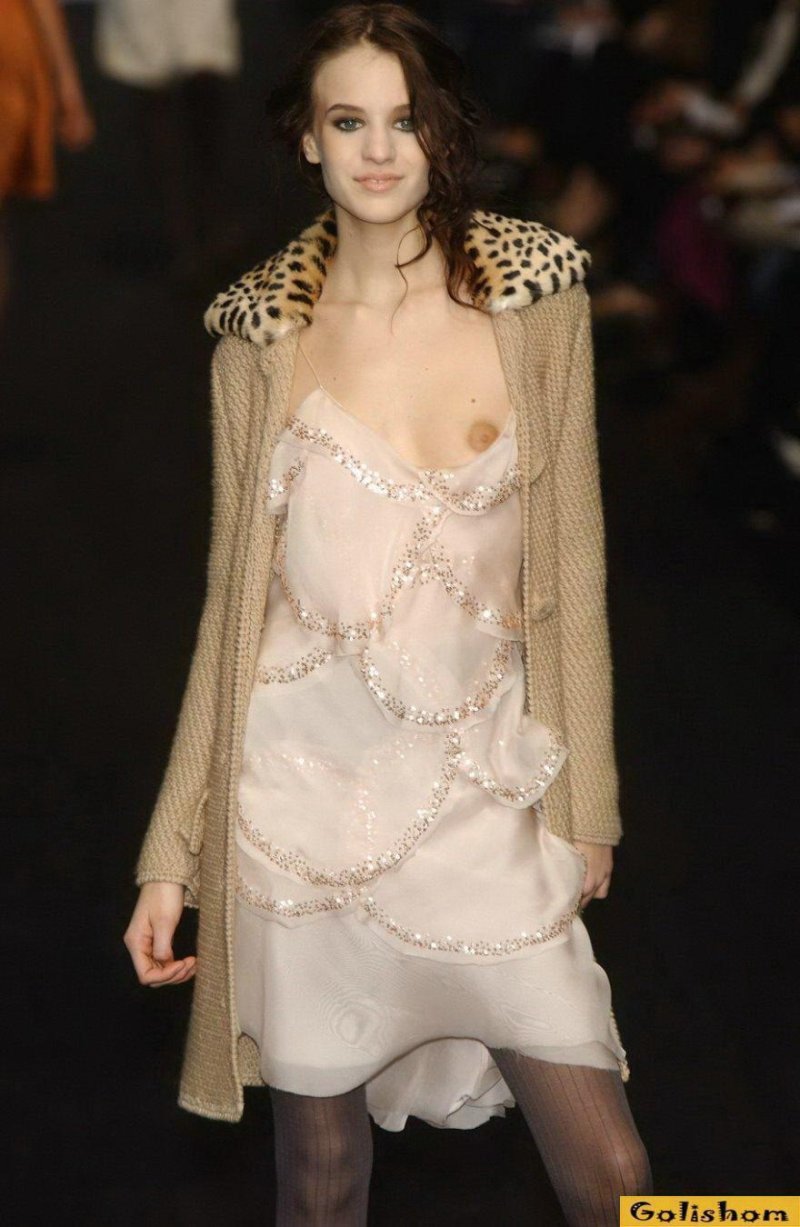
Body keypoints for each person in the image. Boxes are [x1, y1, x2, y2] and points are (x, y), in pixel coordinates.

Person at [123, 4, 654, 1222]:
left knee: (615, 1179)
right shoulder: (258, 340)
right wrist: (170, 854)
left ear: (440, 134)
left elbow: (572, 564)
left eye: (404, 121)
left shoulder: (533, 299)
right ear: (307, 139)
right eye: (348, 120)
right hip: (297, 803)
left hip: (484, 797)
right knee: (319, 1184)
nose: (377, 150)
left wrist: (589, 800)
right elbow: (228, 615)